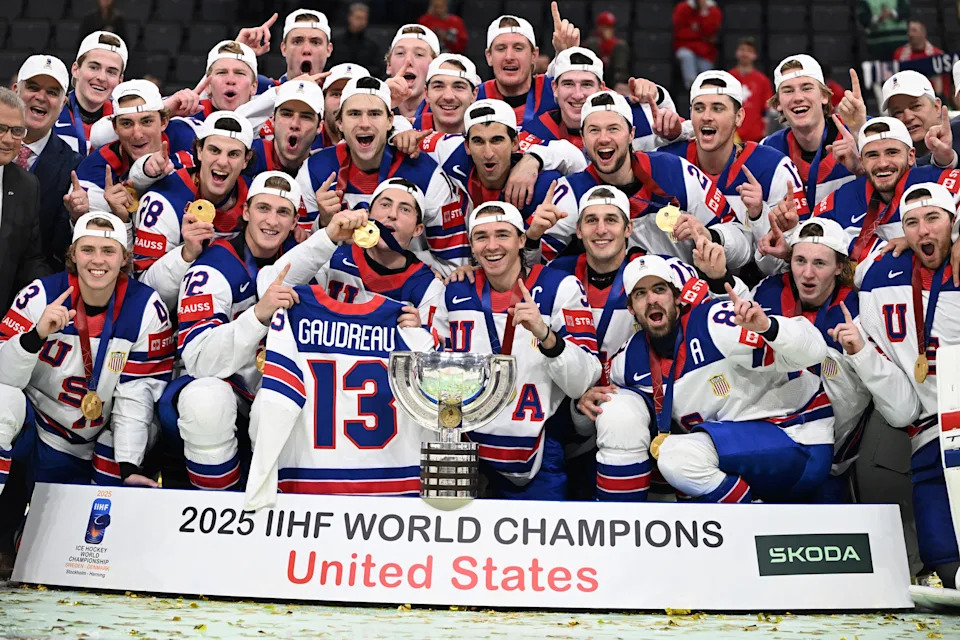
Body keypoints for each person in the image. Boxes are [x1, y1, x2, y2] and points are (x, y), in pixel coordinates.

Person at [602, 252, 834, 503]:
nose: (652, 300)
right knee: (670, 454)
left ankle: (749, 526)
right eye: (640, 294)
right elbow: (597, 406)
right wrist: (585, 402)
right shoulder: (628, 361)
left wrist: (769, 327)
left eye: (659, 289)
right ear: (631, 309)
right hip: (739, 449)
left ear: (677, 296)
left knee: (678, 457)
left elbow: (815, 352)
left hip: (797, 435)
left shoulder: (716, 323)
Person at [0, 211, 173, 497]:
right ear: (73, 254)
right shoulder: (40, 295)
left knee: (117, 446)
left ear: (124, 257)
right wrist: (34, 337)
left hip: (97, 436)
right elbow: (4, 379)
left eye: (108, 251)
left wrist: (128, 466)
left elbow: (136, 393)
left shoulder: (146, 308)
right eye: (87, 250)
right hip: (37, 425)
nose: (97, 260)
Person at [439, 201, 601, 499]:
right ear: (471, 247)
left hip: (536, 447)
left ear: (522, 240)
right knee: (449, 537)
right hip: (460, 445)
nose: (492, 246)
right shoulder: (453, 290)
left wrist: (546, 335)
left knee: (537, 544)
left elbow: (582, 381)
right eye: (481, 237)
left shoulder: (560, 287)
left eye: (502, 234)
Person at [750, 217, 920, 501]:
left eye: (819, 263)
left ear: (840, 267)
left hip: (828, 468)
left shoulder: (861, 313)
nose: (807, 274)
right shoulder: (766, 294)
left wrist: (861, 354)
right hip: (764, 454)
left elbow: (903, 411)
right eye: (799, 260)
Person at [551, 186, 701, 500]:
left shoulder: (660, 272)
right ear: (578, 230)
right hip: (576, 411)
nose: (601, 229)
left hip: (641, 402)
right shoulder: (557, 275)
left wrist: (716, 277)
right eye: (591, 221)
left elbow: (702, 322)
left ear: (629, 228)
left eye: (611, 220)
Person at [158, 172, 300, 490]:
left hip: (275, 389)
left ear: (294, 223)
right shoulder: (212, 266)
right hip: (225, 389)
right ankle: (216, 506)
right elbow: (200, 362)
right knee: (206, 400)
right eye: (263, 208)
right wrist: (258, 315)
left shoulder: (305, 265)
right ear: (246, 212)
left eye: (283, 212)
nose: (272, 221)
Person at [855, 182, 960, 588]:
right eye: (911, 223)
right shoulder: (881, 273)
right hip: (926, 422)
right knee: (938, 539)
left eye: (932, 218)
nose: (922, 231)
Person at [538, 91, 751, 270]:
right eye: (594, 130)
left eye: (613, 129)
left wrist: (710, 236)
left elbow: (743, 243)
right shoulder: (571, 192)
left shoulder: (674, 171)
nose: (604, 138)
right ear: (583, 139)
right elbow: (532, 270)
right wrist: (532, 238)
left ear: (631, 135)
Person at [298, 76, 464, 273]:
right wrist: (324, 224)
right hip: (337, 288)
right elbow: (297, 261)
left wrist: (401, 268)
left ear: (390, 121)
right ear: (340, 123)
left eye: (375, 114)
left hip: (407, 293)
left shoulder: (426, 173)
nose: (365, 123)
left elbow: (454, 265)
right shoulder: (315, 170)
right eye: (354, 114)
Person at [760, 118, 959, 268]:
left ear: (911, 156)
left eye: (892, 152)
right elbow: (811, 246)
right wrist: (790, 240)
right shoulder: (840, 200)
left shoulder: (939, 180)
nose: (882, 163)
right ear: (861, 161)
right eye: (872, 155)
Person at [261, 177, 445, 338]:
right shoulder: (332, 259)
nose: (392, 214)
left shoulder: (428, 286)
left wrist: (419, 334)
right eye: (385, 204)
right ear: (369, 214)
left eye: (405, 209)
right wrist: (327, 236)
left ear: (418, 229)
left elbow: (435, 355)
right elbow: (270, 289)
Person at [660, 71, 802, 265]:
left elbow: (785, 264)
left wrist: (759, 214)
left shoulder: (773, 167)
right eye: (699, 108)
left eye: (718, 109)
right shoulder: (667, 162)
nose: (707, 117)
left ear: (739, 117)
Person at [131, 111, 254, 310]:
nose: (223, 162)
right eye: (214, 150)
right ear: (199, 150)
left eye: (233, 154)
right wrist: (186, 254)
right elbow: (143, 290)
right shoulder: (163, 200)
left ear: (246, 160)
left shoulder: (255, 198)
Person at [68, 80, 197, 230]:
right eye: (127, 124)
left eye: (146, 121)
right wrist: (78, 217)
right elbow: (90, 243)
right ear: (115, 128)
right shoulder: (94, 169)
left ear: (163, 122)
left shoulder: (188, 139)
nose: (137, 134)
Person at [406, 99, 562, 221]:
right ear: (466, 145)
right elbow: (405, 133)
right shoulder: (451, 150)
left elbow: (574, 157)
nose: (488, 153)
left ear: (515, 142)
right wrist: (398, 136)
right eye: (478, 141)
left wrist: (533, 159)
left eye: (497, 140)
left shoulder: (541, 179)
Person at [521, 47, 684, 154]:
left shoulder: (635, 117)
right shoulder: (534, 131)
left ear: (602, 89)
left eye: (586, 84)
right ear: (555, 89)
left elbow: (689, 132)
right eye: (568, 84)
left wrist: (660, 97)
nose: (578, 95)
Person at [762, 55, 864, 208]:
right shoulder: (768, 150)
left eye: (807, 88)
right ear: (778, 104)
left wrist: (862, 154)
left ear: (824, 96)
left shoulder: (862, 130)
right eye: (788, 91)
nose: (798, 97)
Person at [13, 56, 82, 272]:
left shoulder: (74, 166)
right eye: (33, 87)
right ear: (15, 90)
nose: (41, 97)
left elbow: (59, 251)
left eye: (52, 92)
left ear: (63, 104)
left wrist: (76, 217)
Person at [0, 89, 49, 313]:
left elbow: (30, 259)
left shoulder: (27, 186)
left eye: (17, 131)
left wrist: (51, 291)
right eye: (1, 129)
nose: (8, 139)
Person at [477, 14, 558, 128]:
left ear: (534, 55)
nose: (509, 56)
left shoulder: (555, 92)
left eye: (518, 48)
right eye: (501, 48)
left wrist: (566, 51)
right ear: (489, 56)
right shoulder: (474, 98)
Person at [56, 31, 128, 156]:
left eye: (111, 72)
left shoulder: (127, 122)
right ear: (76, 70)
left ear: (119, 81)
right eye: (94, 67)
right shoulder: (51, 114)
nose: (101, 77)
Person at [236, 9, 333, 90]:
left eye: (315, 42)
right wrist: (237, 53)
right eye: (297, 42)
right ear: (284, 48)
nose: (306, 50)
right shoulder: (258, 90)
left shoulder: (341, 96)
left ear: (328, 50)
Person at [881, 71, 959, 168]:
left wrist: (949, 161)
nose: (908, 117)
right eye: (897, 112)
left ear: (937, 107)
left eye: (916, 106)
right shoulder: (888, 160)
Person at [412, 54, 480, 133]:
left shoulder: (491, 139)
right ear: (426, 94)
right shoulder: (406, 136)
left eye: (459, 87)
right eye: (439, 86)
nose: (448, 97)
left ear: (474, 95)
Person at [385, 24, 441, 119]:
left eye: (419, 54)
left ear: (434, 67)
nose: (408, 61)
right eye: (400, 53)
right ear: (389, 66)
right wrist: (380, 99)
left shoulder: (449, 115)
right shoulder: (366, 111)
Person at [728, 37, 773, 144]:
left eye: (749, 51)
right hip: (731, 135)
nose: (745, 53)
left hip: (756, 135)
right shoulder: (728, 77)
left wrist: (766, 131)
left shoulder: (762, 80)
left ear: (755, 55)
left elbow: (768, 109)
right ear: (737, 53)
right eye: (742, 50)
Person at [673, 0, 722, 90]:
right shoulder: (683, 8)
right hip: (685, 46)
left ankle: (707, 89)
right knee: (686, 56)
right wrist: (700, 35)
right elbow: (680, 32)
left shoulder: (713, 11)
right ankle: (692, 87)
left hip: (704, 51)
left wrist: (704, 12)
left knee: (705, 67)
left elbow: (709, 32)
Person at [893, 21, 948, 98]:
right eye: (909, 31)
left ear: (923, 33)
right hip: (906, 96)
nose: (910, 34)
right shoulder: (899, 54)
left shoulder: (937, 55)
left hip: (931, 97)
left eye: (914, 31)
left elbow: (945, 86)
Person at [328, 3, 383, 74]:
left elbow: (378, 68)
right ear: (350, 18)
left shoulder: (372, 46)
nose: (361, 22)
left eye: (364, 19)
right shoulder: (335, 42)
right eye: (358, 18)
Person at [583, 12, 630, 90]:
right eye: (605, 27)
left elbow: (621, 68)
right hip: (594, 78)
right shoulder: (591, 43)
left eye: (610, 27)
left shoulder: (619, 45)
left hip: (613, 81)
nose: (608, 30)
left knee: (620, 47)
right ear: (599, 27)